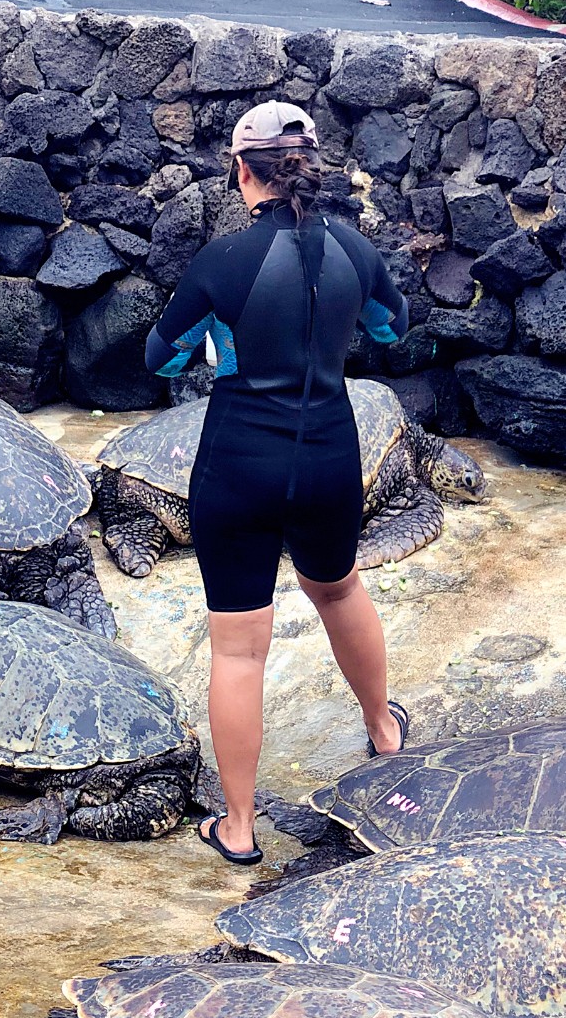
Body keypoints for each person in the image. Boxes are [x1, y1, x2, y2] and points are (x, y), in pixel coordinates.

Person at [144, 101, 411, 867]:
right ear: (312, 166)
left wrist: (218, 352)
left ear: (241, 170)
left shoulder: (223, 261)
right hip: (327, 451)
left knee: (239, 650)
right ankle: (385, 730)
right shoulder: (356, 251)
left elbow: (161, 359)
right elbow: (395, 331)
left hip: (238, 462)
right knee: (339, 589)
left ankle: (238, 828)